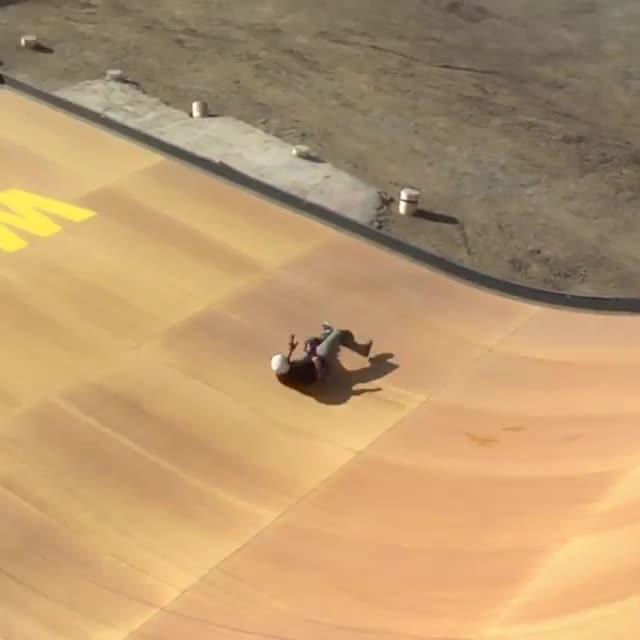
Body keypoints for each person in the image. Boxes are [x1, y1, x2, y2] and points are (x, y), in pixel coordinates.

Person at [271, 322, 373, 388]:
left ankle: (328, 336)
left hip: (312, 361)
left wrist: (291, 351)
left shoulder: (281, 375)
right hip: (320, 364)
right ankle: (362, 350)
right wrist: (315, 359)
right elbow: (316, 366)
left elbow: (287, 364)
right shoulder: (298, 370)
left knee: (311, 341)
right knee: (339, 334)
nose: (286, 358)